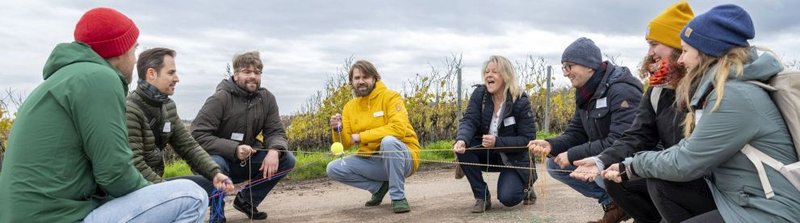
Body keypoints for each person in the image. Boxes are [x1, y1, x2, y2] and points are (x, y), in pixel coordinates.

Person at [0, 7, 209, 222]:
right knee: (191, 195)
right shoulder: (99, 78)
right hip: (59, 217)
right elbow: (115, 174)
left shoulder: (62, 80)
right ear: (119, 50)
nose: (135, 60)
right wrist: (156, 195)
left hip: (37, 213)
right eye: (133, 50)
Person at [607, 4, 800, 222]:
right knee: (663, 185)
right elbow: (688, 150)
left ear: (706, 53)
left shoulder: (733, 96)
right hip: (740, 199)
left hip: (768, 211)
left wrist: (632, 165)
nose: (681, 59)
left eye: (686, 51)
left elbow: (686, 161)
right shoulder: (724, 89)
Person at [570, 2, 714, 223]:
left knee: (657, 181)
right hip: (673, 170)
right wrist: (601, 161)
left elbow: (696, 156)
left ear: (679, 46)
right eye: (648, 45)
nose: (650, 53)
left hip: (708, 182)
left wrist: (633, 166)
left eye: (655, 44)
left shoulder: (709, 89)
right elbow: (637, 135)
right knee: (616, 177)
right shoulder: (657, 91)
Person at [528, 37, 643, 223]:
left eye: (569, 66)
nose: (566, 73)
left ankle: (637, 206)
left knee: (583, 163)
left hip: (630, 159)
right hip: (606, 156)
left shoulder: (621, 90)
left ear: (589, 66)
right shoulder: (585, 92)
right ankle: (614, 204)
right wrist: (551, 144)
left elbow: (622, 140)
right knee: (555, 164)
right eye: (564, 67)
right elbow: (576, 132)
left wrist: (573, 154)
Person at [127, 48, 234, 222]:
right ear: (151, 74)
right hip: (137, 189)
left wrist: (215, 173)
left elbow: (188, 146)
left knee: (210, 185)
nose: (177, 78)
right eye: (171, 73)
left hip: (155, 185)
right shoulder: (130, 110)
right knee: (187, 196)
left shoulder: (167, 107)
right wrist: (168, 194)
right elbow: (134, 165)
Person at [192, 51, 296, 220]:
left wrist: (275, 150)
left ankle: (246, 200)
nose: (253, 76)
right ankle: (218, 215)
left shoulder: (267, 99)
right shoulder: (220, 99)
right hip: (215, 159)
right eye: (247, 72)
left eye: (257, 72)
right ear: (236, 74)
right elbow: (197, 135)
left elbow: (276, 131)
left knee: (287, 159)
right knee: (217, 165)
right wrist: (234, 149)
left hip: (245, 159)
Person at [326, 60, 421, 213]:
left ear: (375, 78)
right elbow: (346, 144)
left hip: (404, 158)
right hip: (373, 160)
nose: (361, 81)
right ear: (351, 82)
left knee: (389, 141)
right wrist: (338, 129)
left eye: (365, 77)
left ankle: (398, 197)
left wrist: (360, 137)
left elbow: (398, 130)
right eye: (356, 78)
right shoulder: (349, 107)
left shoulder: (391, 97)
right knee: (334, 168)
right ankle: (378, 188)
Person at [452, 55, 537, 213]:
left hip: (513, 157)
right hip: (488, 151)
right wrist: (461, 139)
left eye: (494, 72)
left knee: (508, 198)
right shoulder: (480, 94)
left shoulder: (520, 100)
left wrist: (497, 142)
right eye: (486, 72)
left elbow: (528, 139)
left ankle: (527, 184)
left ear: (506, 76)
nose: (488, 75)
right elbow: (469, 120)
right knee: (464, 148)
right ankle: (482, 196)